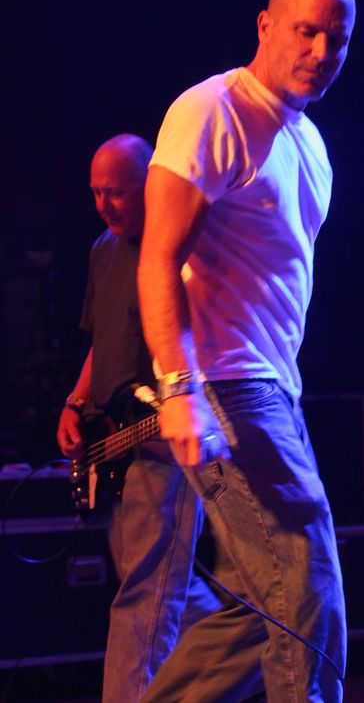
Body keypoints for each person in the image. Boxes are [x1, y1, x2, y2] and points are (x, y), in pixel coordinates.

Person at [137, 0, 356, 703]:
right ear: (266, 25)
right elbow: (157, 258)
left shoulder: (310, 142)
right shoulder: (213, 111)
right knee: (307, 585)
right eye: (305, 31)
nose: (320, 52)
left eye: (336, 40)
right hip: (228, 384)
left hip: (272, 388)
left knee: (257, 610)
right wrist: (178, 388)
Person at [56, 134, 220, 703]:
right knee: (163, 585)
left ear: (148, 184)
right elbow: (102, 342)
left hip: (157, 438)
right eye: (95, 193)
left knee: (144, 597)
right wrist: (75, 403)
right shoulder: (103, 250)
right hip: (111, 445)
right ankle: (247, 661)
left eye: (116, 193)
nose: (103, 205)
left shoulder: (176, 244)